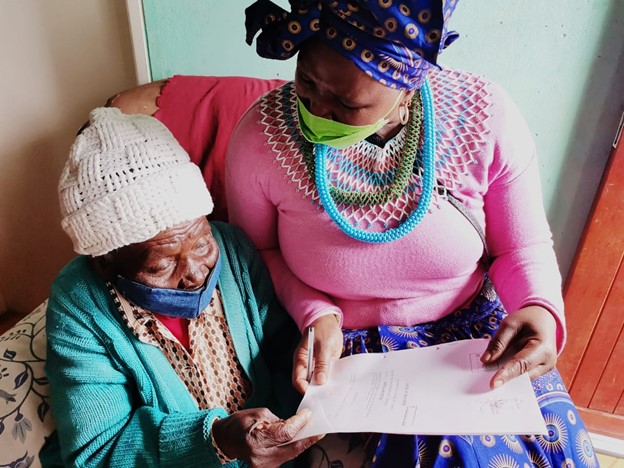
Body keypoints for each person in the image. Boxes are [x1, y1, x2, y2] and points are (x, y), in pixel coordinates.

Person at [225, 1, 598, 466]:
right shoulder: (262, 136)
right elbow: (253, 254)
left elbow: (522, 246)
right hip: (337, 347)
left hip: (472, 335)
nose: (317, 109)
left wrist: (540, 309)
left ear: (408, 88)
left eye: (346, 103)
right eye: (307, 83)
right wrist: (316, 313)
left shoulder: (484, 116)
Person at [42, 107, 322, 467]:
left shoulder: (233, 249)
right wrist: (218, 440)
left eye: (202, 244)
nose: (194, 274)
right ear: (104, 262)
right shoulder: (79, 305)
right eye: (160, 265)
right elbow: (98, 452)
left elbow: (283, 351)